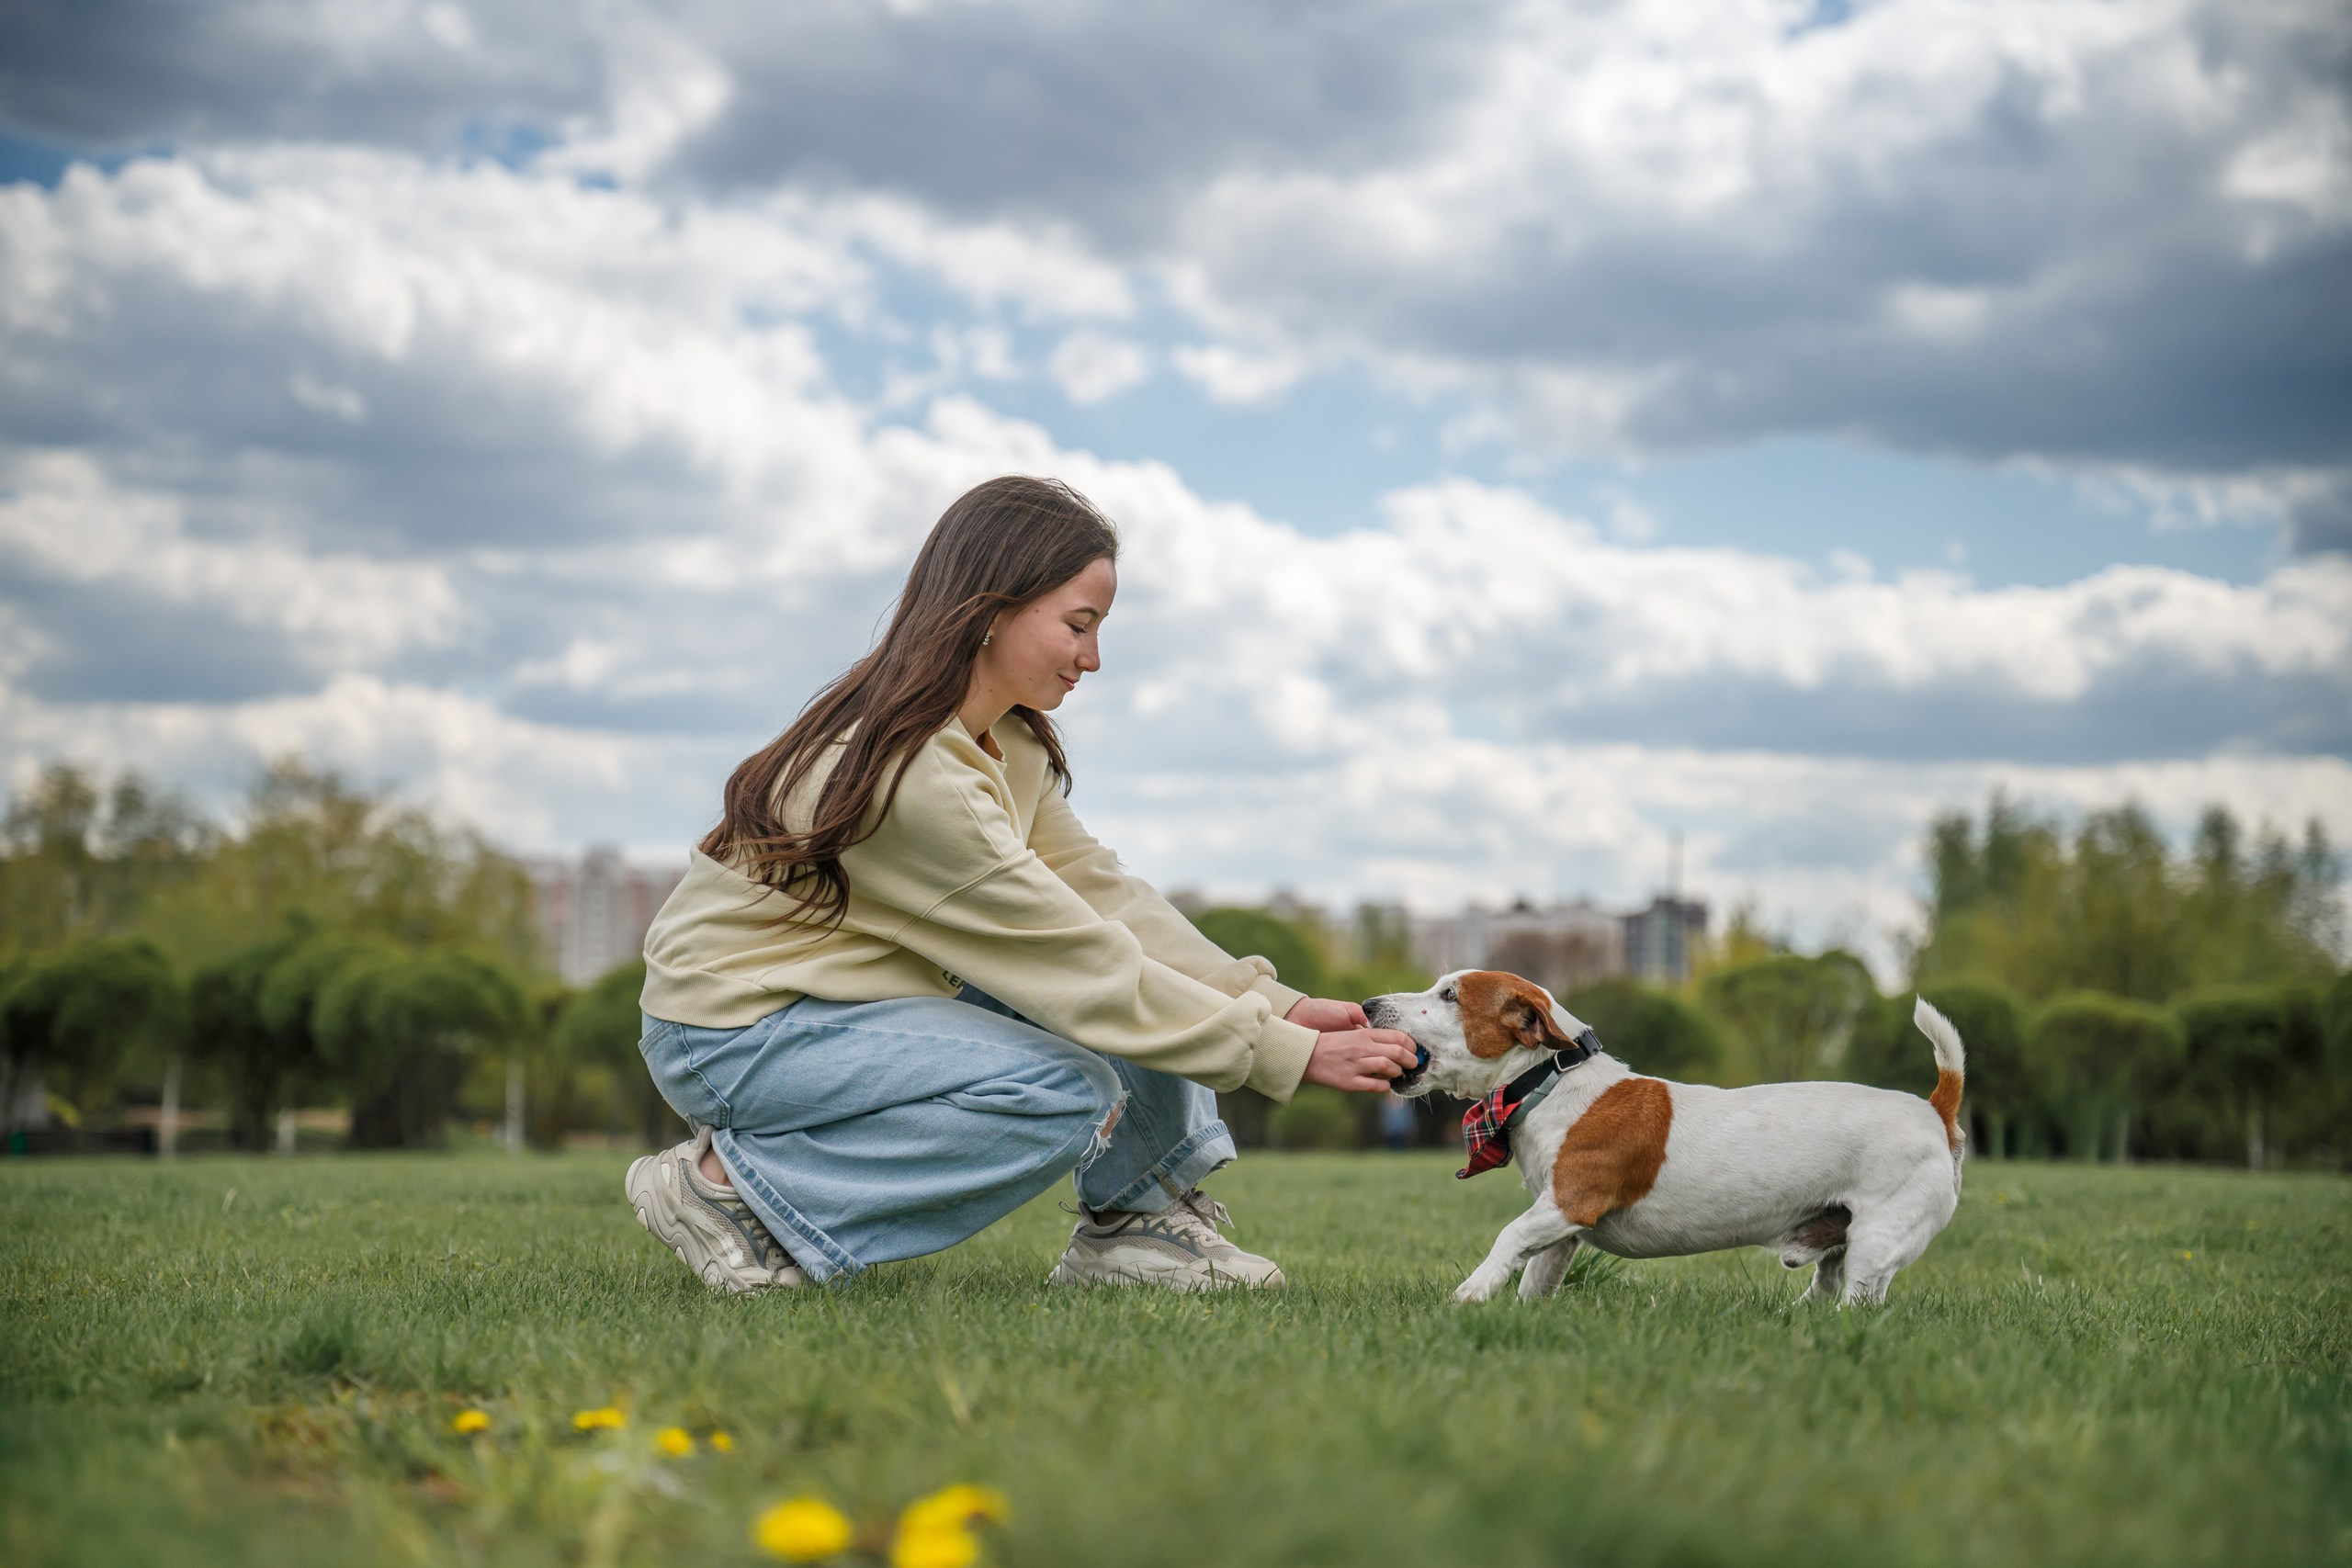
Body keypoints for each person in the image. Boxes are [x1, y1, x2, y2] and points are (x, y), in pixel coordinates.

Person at [627, 475, 1420, 1293]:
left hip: (839, 1000)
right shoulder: (915, 777)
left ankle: (1133, 1222)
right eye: (1078, 625)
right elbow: (1075, 963)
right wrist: (1284, 1053)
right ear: (992, 606)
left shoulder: (1005, 742)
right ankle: (733, 1192)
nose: (1093, 658)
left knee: (1120, 968)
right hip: (731, 1030)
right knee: (1064, 1091)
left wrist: (1276, 1003)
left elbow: (1105, 904)